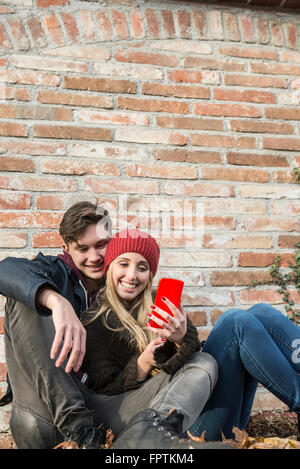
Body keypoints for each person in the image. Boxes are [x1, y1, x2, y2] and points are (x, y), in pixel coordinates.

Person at [80, 228, 229, 449]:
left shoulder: (159, 305)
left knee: (203, 360)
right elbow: (100, 390)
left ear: (150, 275)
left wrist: (181, 339)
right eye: (123, 264)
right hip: (113, 411)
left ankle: (157, 434)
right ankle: (151, 435)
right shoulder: (93, 319)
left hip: (154, 407)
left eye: (142, 268)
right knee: (203, 362)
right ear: (110, 266)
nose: (132, 275)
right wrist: (143, 364)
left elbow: (185, 375)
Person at [0, 200, 113, 448]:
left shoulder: (123, 282)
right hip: (43, 416)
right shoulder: (53, 271)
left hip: (100, 410)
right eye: (82, 249)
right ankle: (79, 430)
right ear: (66, 249)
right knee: (26, 298)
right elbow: (4, 270)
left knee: (200, 363)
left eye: (101, 245)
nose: (94, 257)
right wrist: (56, 301)